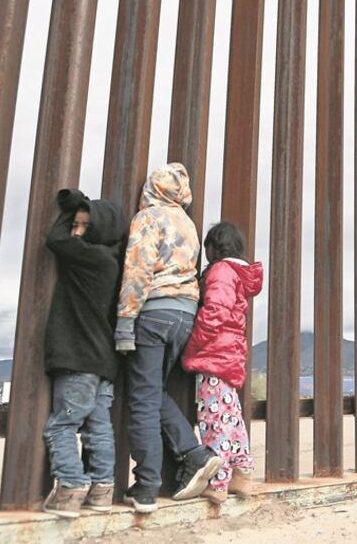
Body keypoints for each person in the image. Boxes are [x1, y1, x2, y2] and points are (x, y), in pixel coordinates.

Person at [115, 163, 221, 513]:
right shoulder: (187, 224)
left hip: (154, 312)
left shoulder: (148, 218)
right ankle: (194, 453)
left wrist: (125, 321)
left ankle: (146, 487)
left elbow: (138, 269)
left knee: (142, 400)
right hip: (185, 314)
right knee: (152, 391)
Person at [41, 188, 127, 518]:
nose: (76, 231)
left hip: (78, 358)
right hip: (104, 363)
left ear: (100, 228)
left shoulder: (91, 257)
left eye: (84, 225)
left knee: (62, 426)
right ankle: (102, 490)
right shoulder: (116, 263)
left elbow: (55, 239)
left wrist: (71, 205)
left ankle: (70, 489)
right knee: (98, 427)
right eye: (76, 224)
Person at [182, 222, 263, 505]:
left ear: (215, 247)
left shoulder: (220, 271)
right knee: (231, 416)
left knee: (214, 418)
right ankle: (242, 475)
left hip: (214, 355)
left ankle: (218, 483)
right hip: (230, 355)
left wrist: (191, 347)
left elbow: (213, 312)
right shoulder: (239, 275)